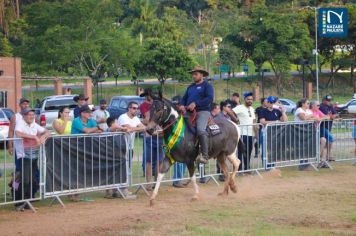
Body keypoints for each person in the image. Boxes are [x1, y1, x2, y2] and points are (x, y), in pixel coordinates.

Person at [14, 108, 50, 211]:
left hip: (34, 156)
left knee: (31, 179)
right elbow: (18, 134)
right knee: (24, 179)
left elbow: (47, 131)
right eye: (29, 115)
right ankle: (18, 203)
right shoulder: (20, 122)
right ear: (24, 116)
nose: (31, 116)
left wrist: (43, 137)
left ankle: (27, 202)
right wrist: (34, 137)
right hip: (23, 155)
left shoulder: (34, 123)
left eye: (33, 115)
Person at [179, 66, 214, 164]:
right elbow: (184, 98)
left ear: (202, 75)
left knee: (200, 130)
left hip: (202, 111)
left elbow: (210, 99)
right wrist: (182, 105)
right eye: (193, 74)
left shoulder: (207, 86)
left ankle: (205, 155)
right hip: (188, 112)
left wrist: (196, 103)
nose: (193, 76)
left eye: (196, 74)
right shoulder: (190, 87)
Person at [117, 101, 145, 198]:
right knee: (121, 168)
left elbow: (142, 127)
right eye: (133, 108)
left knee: (128, 168)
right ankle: (120, 188)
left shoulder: (136, 118)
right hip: (120, 145)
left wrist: (134, 129)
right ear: (129, 108)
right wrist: (135, 128)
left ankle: (124, 188)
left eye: (137, 108)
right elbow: (127, 128)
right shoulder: (123, 117)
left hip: (130, 146)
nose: (135, 110)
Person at [139, 88, 164, 189]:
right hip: (149, 136)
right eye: (150, 95)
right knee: (148, 161)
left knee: (160, 160)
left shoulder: (159, 104)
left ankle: (156, 182)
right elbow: (147, 119)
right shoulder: (144, 106)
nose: (151, 96)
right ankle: (148, 183)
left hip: (160, 135)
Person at [259, 96, 288, 168]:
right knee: (265, 150)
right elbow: (262, 121)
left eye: (273, 102)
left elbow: (285, 120)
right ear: (267, 103)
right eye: (271, 102)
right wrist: (274, 122)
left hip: (275, 133)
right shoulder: (263, 111)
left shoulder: (277, 111)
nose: (272, 104)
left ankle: (272, 165)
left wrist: (283, 112)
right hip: (266, 133)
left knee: (273, 150)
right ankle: (266, 166)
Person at [233, 92, 257, 171]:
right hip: (242, 134)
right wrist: (235, 120)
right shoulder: (240, 107)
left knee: (249, 152)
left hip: (251, 134)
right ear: (244, 99)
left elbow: (254, 122)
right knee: (241, 152)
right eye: (248, 99)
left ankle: (247, 168)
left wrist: (256, 134)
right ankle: (239, 169)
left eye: (251, 99)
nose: (250, 101)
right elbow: (231, 112)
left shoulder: (252, 109)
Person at [310, 100, 332, 168]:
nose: (319, 107)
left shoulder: (318, 111)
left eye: (319, 105)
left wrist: (320, 118)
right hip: (310, 132)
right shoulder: (309, 111)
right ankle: (318, 160)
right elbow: (314, 119)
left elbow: (327, 117)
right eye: (317, 105)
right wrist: (320, 118)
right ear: (313, 106)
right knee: (322, 141)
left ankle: (321, 160)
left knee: (324, 140)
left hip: (317, 131)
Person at [171, 95, 186, 188]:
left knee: (184, 160)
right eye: (175, 104)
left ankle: (179, 179)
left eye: (178, 104)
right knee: (178, 160)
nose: (177, 106)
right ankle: (176, 180)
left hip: (185, 139)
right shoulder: (172, 114)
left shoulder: (185, 113)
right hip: (176, 140)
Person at [319, 95, 338, 161]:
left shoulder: (330, 106)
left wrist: (332, 116)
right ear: (323, 100)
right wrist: (331, 116)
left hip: (328, 127)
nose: (329, 102)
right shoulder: (321, 106)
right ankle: (325, 156)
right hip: (321, 126)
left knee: (325, 141)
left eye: (330, 100)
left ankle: (327, 156)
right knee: (330, 138)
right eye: (328, 100)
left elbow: (335, 114)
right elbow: (327, 116)